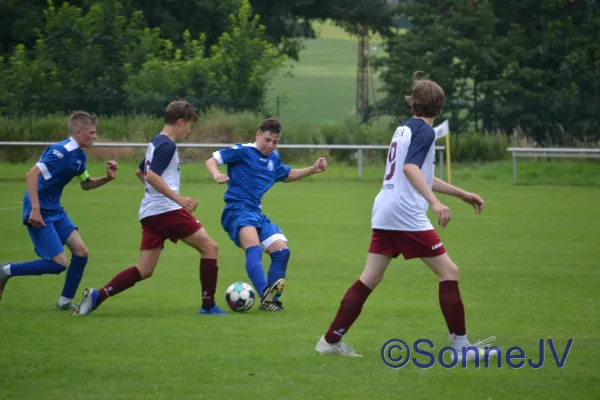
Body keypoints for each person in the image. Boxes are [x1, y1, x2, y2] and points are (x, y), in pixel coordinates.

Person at [315, 72, 498, 362]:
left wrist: (462, 194)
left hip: (385, 211)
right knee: (449, 272)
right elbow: (411, 170)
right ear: (439, 107)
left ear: (413, 104)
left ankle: (329, 341)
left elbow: (422, 174)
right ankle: (462, 348)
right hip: (405, 214)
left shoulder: (404, 129)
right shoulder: (425, 132)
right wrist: (435, 203)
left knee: (370, 278)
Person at [73, 100, 227, 316]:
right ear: (181, 122)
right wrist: (178, 199)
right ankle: (209, 307)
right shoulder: (168, 145)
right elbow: (152, 175)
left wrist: (157, 195)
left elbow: (141, 173)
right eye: (189, 124)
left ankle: (98, 296)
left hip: (150, 212)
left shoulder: (155, 141)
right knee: (210, 248)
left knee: (144, 270)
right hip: (167, 211)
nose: (189, 130)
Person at [205, 118, 327, 311]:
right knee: (253, 248)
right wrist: (216, 174)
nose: (270, 145)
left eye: (275, 142)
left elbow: (286, 175)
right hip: (237, 210)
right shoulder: (243, 151)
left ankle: (271, 299)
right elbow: (212, 160)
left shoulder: (273, 160)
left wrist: (312, 169)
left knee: (282, 252)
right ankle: (264, 294)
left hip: (256, 213)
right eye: (267, 140)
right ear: (257, 135)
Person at [0, 111, 118, 310]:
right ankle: (6, 270)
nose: (95, 137)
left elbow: (86, 184)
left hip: (55, 208)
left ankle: (64, 302)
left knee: (81, 252)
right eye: (92, 132)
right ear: (78, 132)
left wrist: (107, 178)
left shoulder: (79, 156)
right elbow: (31, 175)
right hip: (38, 208)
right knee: (59, 263)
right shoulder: (60, 151)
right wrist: (35, 210)